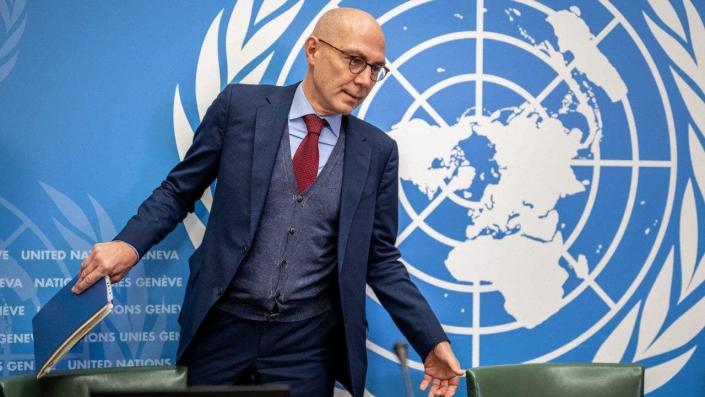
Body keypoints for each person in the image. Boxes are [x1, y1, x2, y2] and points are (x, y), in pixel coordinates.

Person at [72, 7, 463, 397]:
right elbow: (179, 190)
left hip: (306, 346)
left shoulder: (377, 151)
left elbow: (379, 257)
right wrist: (129, 243)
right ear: (313, 50)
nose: (363, 80)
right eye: (354, 61)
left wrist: (431, 340)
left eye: (375, 69)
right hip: (220, 330)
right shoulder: (240, 109)